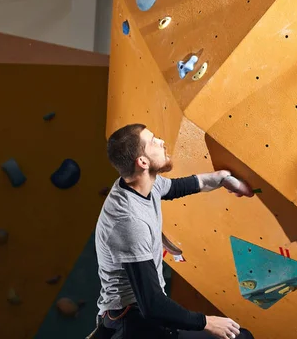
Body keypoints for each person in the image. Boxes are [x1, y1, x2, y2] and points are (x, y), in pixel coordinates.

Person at [91, 123, 255, 339]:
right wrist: (207, 322)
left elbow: (181, 187)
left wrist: (222, 178)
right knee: (239, 337)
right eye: (152, 141)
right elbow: (152, 304)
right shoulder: (129, 222)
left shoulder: (143, 183)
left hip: (143, 310)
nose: (161, 142)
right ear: (142, 162)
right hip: (131, 321)